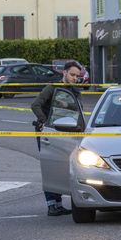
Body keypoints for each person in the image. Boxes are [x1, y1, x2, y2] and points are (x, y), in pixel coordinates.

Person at [31, 61, 83, 217]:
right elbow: (35, 105)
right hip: (50, 131)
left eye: (77, 76)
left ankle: (59, 204)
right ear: (64, 73)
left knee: (65, 167)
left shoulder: (74, 90)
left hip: (68, 131)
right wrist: (44, 122)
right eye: (72, 75)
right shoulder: (52, 88)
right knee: (51, 167)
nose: (75, 78)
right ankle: (52, 205)